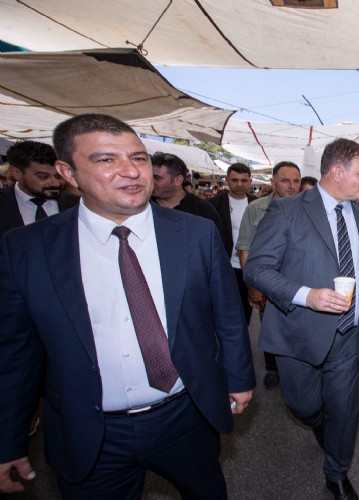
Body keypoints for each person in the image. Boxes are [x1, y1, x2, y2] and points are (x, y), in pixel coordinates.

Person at [0, 114, 255, 498]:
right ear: (67, 172)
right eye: (106, 160)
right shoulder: (27, 248)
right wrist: (8, 439)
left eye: (138, 158)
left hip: (185, 415)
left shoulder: (195, 233)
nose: (130, 172)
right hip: (89, 429)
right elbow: (15, 355)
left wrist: (237, 378)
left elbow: (228, 314)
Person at [245, 138, 359, 500]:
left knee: (345, 409)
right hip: (299, 334)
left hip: (349, 335)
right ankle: (318, 423)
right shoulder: (287, 211)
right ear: (337, 172)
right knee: (302, 405)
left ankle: (336, 473)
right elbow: (257, 269)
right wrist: (305, 295)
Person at [236, 161, 301, 390]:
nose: (291, 186)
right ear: (273, 182)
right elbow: (245, 248)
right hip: (268, 283)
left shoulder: (308, 209)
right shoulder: (256, 209)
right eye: (285, 180)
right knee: (270, 327)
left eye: (296, 181)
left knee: (297, 329)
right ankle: (272, 368)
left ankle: (296, 372)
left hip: (299, 283)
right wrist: (251, 286)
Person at [0, 140, 79, 238]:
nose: (55, 183)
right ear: (16, 173)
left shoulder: (78, 204)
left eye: (58, 176)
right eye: (43, 176)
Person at [209, 163, 256, 324]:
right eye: (235, 180)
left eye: (244, 180)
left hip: (247, 267)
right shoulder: (214, 205)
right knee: (221, 311)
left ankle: (242, 345)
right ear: (227, 180)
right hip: (224, 266)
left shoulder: (258, 205)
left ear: (250, 181)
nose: (239, 184)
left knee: (245, 312)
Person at [150, 152, 222, 229]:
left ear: (178, 180)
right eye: (149, 176)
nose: (150, 181)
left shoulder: (203, 211)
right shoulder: (142, 206)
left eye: (156, 178)